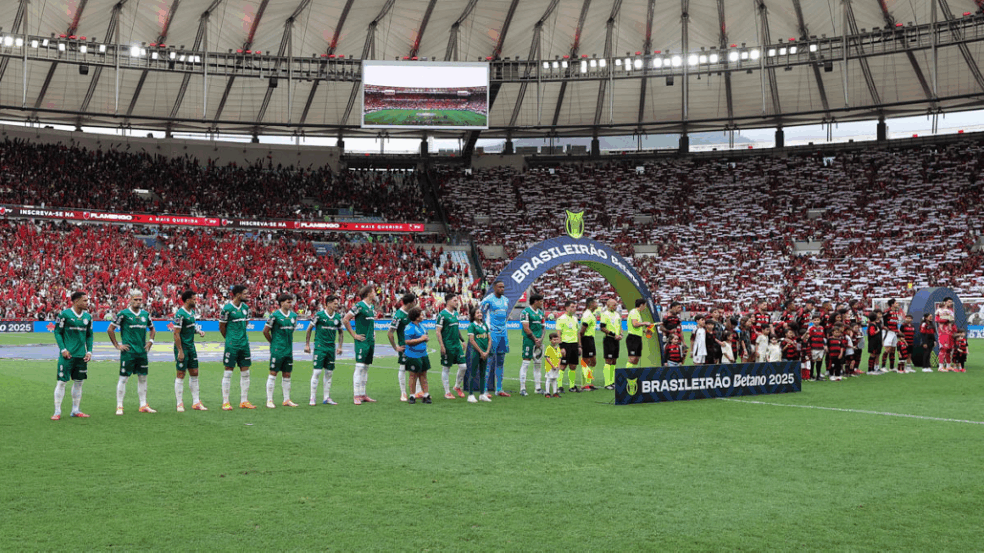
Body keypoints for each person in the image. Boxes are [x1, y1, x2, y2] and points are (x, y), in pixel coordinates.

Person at [108, 289, 157, 415]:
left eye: (140, 299)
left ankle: (143, 404)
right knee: (124, 378)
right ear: (130, 300)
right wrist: (117, 345)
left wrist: (150, 341)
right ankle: (119, 406)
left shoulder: (145, 314)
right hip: (128, 352)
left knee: (143, 378)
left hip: (142, 352)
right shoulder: (123, 314)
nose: (138, 302)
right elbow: (110, 329)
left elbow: (152, 329)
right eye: (136, 299)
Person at [52, 291, 93, 420]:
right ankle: (57, 411)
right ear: (76, 301)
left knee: (79, 383)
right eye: (85, 300)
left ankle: (75, 410)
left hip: (81, 356)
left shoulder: (88, 317)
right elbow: (57, 332)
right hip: (67, 356)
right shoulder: (64, 315)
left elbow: (89, 335)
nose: (87, 303)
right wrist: (63, 349)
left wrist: (89, 351)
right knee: (62, 382)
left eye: (87, 300)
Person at [219, 284, 255, 410]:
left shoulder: (246, 308)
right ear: (238, 295)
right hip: (232, 345)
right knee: (228, 372)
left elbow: (246, 323)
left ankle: (244, 401)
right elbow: (222, 327)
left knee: (246, 372)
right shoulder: (227, 309)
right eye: (245, 293)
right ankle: (225, 402)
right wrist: (229, 339)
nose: (247, 295)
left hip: (244, 344)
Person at [305, 295, 344, 406]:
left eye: (337, 303)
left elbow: (341, 332)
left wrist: (340, 346)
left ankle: (326, 397)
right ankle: (312, 397)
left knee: (329, 373)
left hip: (331, 348)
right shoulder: (319, 315)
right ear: (328, 304)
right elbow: (309, 329)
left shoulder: (338, 317)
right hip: (320, 347)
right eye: (335, 303)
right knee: (317, 372)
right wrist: (307, 345)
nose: (337, 305)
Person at [173, 290, 208, 412]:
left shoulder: (192, 312)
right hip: (182, 347)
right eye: (194, 299)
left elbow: (190, 327)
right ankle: (179, 403)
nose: (196, 301)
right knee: (181, 374)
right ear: (187, 300)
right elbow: (176, 333)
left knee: (194, 372)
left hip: (191, 347)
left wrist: (198, 331)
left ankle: (196, 402)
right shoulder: (180, 314)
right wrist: (180, 351)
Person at [343, 284, 378, 404]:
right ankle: (356, 395)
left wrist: (373, 333)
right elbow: (345, 319)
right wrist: (354, 335)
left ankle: (363, 394)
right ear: (368, 293)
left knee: (366, 368)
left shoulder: (371, 307)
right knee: (360, 367)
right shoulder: (359, 306)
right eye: (374, 292)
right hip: (362, 341)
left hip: (370, 341)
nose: (375, 294)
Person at [263, 293, 299, 408]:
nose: (290, 304)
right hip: (277, 350)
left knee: (287, 374)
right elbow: (265, 331)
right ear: (282, 303)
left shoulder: (293, 316)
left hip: (288, 349)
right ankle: (269, 400)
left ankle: (286, 399)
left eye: (291, 302)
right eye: (288, 302)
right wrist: (273, 343)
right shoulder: (274, 315)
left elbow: (292, 330)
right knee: (273, 373)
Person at [480, 281, 510, 397]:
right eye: (499, 287)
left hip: (503, 333)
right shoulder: (488, 300)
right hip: (492, 332)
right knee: (489, 361)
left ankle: (499, 389)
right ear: (494, 288)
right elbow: (480, 314)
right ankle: (485, 390)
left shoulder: (506, 300)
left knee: (501, 361)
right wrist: (484, 329)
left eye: (503, 287)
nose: (502, 289)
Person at [436, 294, 468, 400]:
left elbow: (456, 328)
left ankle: (457, 386)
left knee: (463, 366)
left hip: (457, 345)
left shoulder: (456, 314)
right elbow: (438, 331)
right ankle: (447, 392)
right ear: (448, 301)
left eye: (457, 300)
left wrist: (462, 340)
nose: (457, 302)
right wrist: (442, 345)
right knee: (446, 368)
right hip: (448, 345)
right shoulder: (442, 315)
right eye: (455, 300)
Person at [388, 293, 419, 402]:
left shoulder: (412, 313)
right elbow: (390, 333)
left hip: (416, 345)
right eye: (414, 301)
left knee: (417, 368)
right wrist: (395, 347)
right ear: (410, 303)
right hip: (404, 347)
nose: (416, 303)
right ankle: (403, 393)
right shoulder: (399, 315)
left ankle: (417, 391)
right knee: (403, 368)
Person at [403, 307, 432, 404]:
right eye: (421, 314)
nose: (423, 316)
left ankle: (426, 395)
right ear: (416, 317)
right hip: (413, 355)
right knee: (413, 375)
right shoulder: (409, 327)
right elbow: (407, 341)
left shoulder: (422, 326)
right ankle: (412, 396)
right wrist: (421, 339)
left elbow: (424, 337)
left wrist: (425, 339)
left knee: (423, 375)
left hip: (423, 354)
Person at [519, 293, 546, 396]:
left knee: (538, 364)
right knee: (526, 363)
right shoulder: (525, 312)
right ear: (535, 301)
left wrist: (540, 339)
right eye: (541, 301)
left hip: (538, 342)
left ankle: (538, 388)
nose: (542, 303)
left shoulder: (541, 313)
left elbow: (543, 328)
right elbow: (526, 328)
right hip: (529, 341)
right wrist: (535, 339)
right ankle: (522, 388)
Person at [466, 306, 492, 403]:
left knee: (483, 373)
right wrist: (481, 352)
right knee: (472, 373)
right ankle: (470, 395)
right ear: (473, 315)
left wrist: (487, 351)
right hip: (476, 353)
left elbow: (489, 339)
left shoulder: (484, 325)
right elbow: (472, 340)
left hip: (485, 353)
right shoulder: (472, 326)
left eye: (480, 312)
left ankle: (482, 394)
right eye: (477, 313)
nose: (480, 314)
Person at [556, 300, 581, 392]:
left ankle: (572, 386)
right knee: (562, 366)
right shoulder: (561, 319)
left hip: (574, 344)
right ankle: (559, 386)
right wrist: (561, 347)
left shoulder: (575, 318)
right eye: (572, 307)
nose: (574, 308)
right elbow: (558, 333)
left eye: (575, 307)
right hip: (565, 344)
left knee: (573, 366)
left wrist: (579, 346)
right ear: (566, 308)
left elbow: (578, 333)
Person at [599, 298, 622, 389]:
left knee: (614, 360)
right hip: (609, 339)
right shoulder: (605, 314)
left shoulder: (617, 314)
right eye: (614, 305)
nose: (616, 306)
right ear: (608, 305)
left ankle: (612, 381)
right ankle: (607, 383)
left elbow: (619, 326)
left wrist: (620, 334)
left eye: (616, 305)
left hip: (616, 340)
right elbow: (602, 327)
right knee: (608, 360)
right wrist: (613, 335)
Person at [579, 297, 599, 390]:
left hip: (590, 338)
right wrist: (581, 342)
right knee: (586, 361)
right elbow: (582, 330)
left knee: (593, 361)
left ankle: (588, 382)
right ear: (591, 304)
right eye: (595, 302)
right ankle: (585, 384)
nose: (597, 304)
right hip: (586, 339)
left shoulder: (591, 314)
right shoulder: (587, 314)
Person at [625, 299, 648, 368]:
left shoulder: (637, 313)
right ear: (641, 305)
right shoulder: (634, 312)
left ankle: (632, 372)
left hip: (637, 337)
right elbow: (635, 324)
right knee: (632, 358)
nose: (645, 307)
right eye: (645, 305)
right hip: (633, 338)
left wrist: (643, 331)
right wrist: (645, 323)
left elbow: (635, 326)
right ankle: (627, 373)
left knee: (636, 359)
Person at [880, 299, 902, 372]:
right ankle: (883, 366)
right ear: (892, 304)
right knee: (887, 349)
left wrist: (897, 331)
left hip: (894, 332)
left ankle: (891, 367)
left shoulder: (896, 312)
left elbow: (895, 323)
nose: (898, 304)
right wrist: (883, 327)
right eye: (896, 303)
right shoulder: (887, 312)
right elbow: (880, 319)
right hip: (888, 332)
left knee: (893, 350)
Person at [936, 298, 956, 372]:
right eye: (949, 302)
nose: (950, 303)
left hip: (950, 332)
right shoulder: (939, 310)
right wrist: (948, 318)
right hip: (943, 332)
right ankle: (940, 366)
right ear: (944, 302)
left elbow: (952, 319)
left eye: (951, 302)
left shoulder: (951, 310)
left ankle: (948, 365)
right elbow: (938, 319)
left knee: (949, 349)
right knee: (943, 348)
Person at [543, 332, 562, 397]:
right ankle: (547, 393)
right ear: (550, 340)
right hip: (550, 367)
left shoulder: (558, 348)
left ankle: (555, 392)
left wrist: (558, 365)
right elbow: (547, 358)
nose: (555, 341)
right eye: (554, 340)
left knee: (554, 379)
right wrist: (552, 365)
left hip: (556, 366)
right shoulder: (549, 348)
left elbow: (559, 357)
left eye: (556, 339)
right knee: (548, 379)